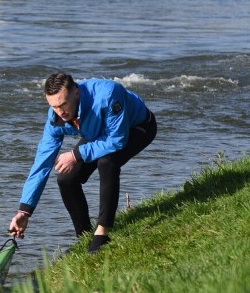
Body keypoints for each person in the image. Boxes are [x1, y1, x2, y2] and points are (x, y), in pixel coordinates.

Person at [9, 72, 157, 253]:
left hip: (136, 127)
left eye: (63, 104)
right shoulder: (55, 117)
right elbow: (42, 163)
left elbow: (117, 140)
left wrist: (76, 154)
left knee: (107, 162)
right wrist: (24, 211)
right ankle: (84, 236)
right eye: (54, 106)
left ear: (76, 93)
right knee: (66, 177)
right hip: (99, 134)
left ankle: (102, 235)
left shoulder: (109, 93)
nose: (60, 112)